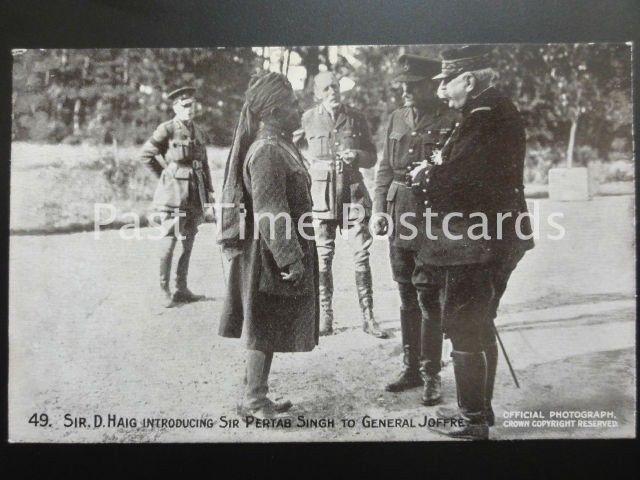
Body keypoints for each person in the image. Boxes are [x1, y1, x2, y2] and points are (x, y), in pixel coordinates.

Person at [413, 45, 534, 439]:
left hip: (476, 241)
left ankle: (473, 420)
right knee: (480, 322)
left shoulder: (484, 118)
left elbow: (462, 181)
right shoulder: (492, 111)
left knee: (466, 325)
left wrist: (428, 175)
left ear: (469, 79)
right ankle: (482, 412)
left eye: (446, 82)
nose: (442, 91)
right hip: (495, 235)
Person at [217, 72, 319, 419]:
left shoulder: (280, 145)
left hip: (273, 249)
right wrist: (290, 259)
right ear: (274, 110)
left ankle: (254, 395)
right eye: (292, 104)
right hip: (270, 253)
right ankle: (254, 401)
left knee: (267, 325)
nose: (298, 109)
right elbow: (271, 211)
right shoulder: (267, 151)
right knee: (263, 327)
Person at [372, 55, 457, 405]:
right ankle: (410, 368)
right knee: (406, 293)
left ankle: (431, 373)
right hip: (398, 214)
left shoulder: (451, 118)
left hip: (430, 218)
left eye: (413, 84)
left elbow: (455, 174)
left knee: (428, 296)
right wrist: (378, 210)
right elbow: (384, 170)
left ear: (429, 84)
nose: (406, 90)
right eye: (402, 85)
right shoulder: (395, 118)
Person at [294, 72, 387, 338]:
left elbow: (372, 157)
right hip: (321, 195)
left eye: (335, 86)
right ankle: (325, 317)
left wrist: (356, 156)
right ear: (316, 94)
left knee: (361, 254)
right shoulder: (308, 118)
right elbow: (290, 147)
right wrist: (308, 166)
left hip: (353, 194)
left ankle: (368, 318)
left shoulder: (356, 117)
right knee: (323, 256)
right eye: (325, 89)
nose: (332, 92)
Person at [139, 86, 215, 308]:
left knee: (187, 243)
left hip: (194, 194)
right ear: (175, 107)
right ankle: (164, 289)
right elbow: (146, 155)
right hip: (173, 194)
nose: (191, 109)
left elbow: (204, 164)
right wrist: (165, 176)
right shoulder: (167, 129)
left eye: (193, 105)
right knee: (169, 241)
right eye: (185, 105)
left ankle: (181, 288)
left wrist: (209, 191)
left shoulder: (198, 131)